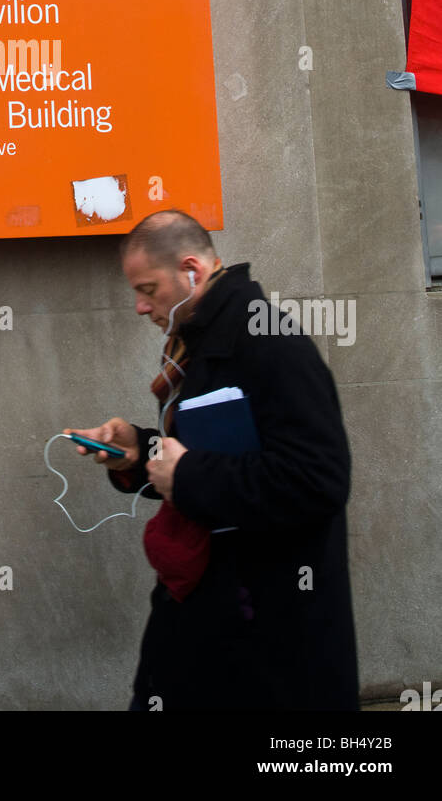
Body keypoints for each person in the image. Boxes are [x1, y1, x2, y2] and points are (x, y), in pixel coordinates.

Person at [66, 209, 360, 711]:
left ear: (191, 272)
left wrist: (186, 474)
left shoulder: (267, 341)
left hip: (266, 633)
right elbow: (215, 454)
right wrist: (140, 452)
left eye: (148, 289)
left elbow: (319, 478)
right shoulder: (204, 341)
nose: (139, 306)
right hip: (213, 613)